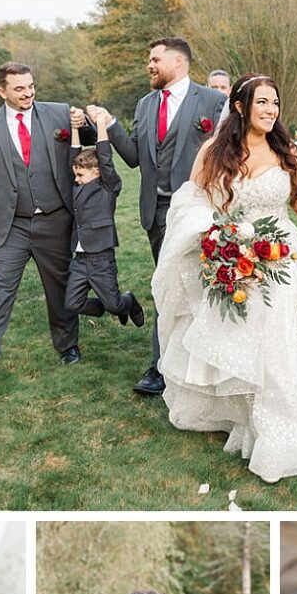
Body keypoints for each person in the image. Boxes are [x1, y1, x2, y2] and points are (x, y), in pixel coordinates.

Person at [150, 75, 297, 483]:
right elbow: (192, 200)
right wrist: (218, 239)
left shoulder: (285, 150)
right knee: (244, 335)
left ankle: (288, 420)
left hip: (283, 256)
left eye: (275, 103)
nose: (271, 111)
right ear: (240, 106)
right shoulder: (214, 153)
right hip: (234, 254)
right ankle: (247, 416)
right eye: (262, 103)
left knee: (282, 333)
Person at [0, 62, 92, 385]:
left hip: (55, 220)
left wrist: (84, 121)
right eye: (20, 88)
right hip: (11, 225)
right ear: (2, 91)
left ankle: (68, 346)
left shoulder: (58, 113)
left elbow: (88, 137)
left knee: (59, 286)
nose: (28, 93)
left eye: (31, 86)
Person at [104, 38, 228, 395]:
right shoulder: (145, 105)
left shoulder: (212, 101)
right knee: (167, 286)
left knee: (206, 286)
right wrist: (111, 125)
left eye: (155, 59)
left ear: (178, 61)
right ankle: (160, 369)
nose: (150, 65)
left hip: (200, 208)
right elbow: (133, 157)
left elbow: (228, 155)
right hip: (156, 211)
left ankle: (209, 364)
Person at [64, 109, 144, 329]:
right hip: (79, 259)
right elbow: (74, 153)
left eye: (80, 175)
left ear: (97, 172)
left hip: (101, 258)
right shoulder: (77, 187)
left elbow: (105, 156)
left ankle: (127, 302)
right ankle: (103, 307)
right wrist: (74, 128)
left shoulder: (107, 186)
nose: (77, 179)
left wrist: (100, 124)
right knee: (72, 304)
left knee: (115, 304)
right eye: (75, 175)